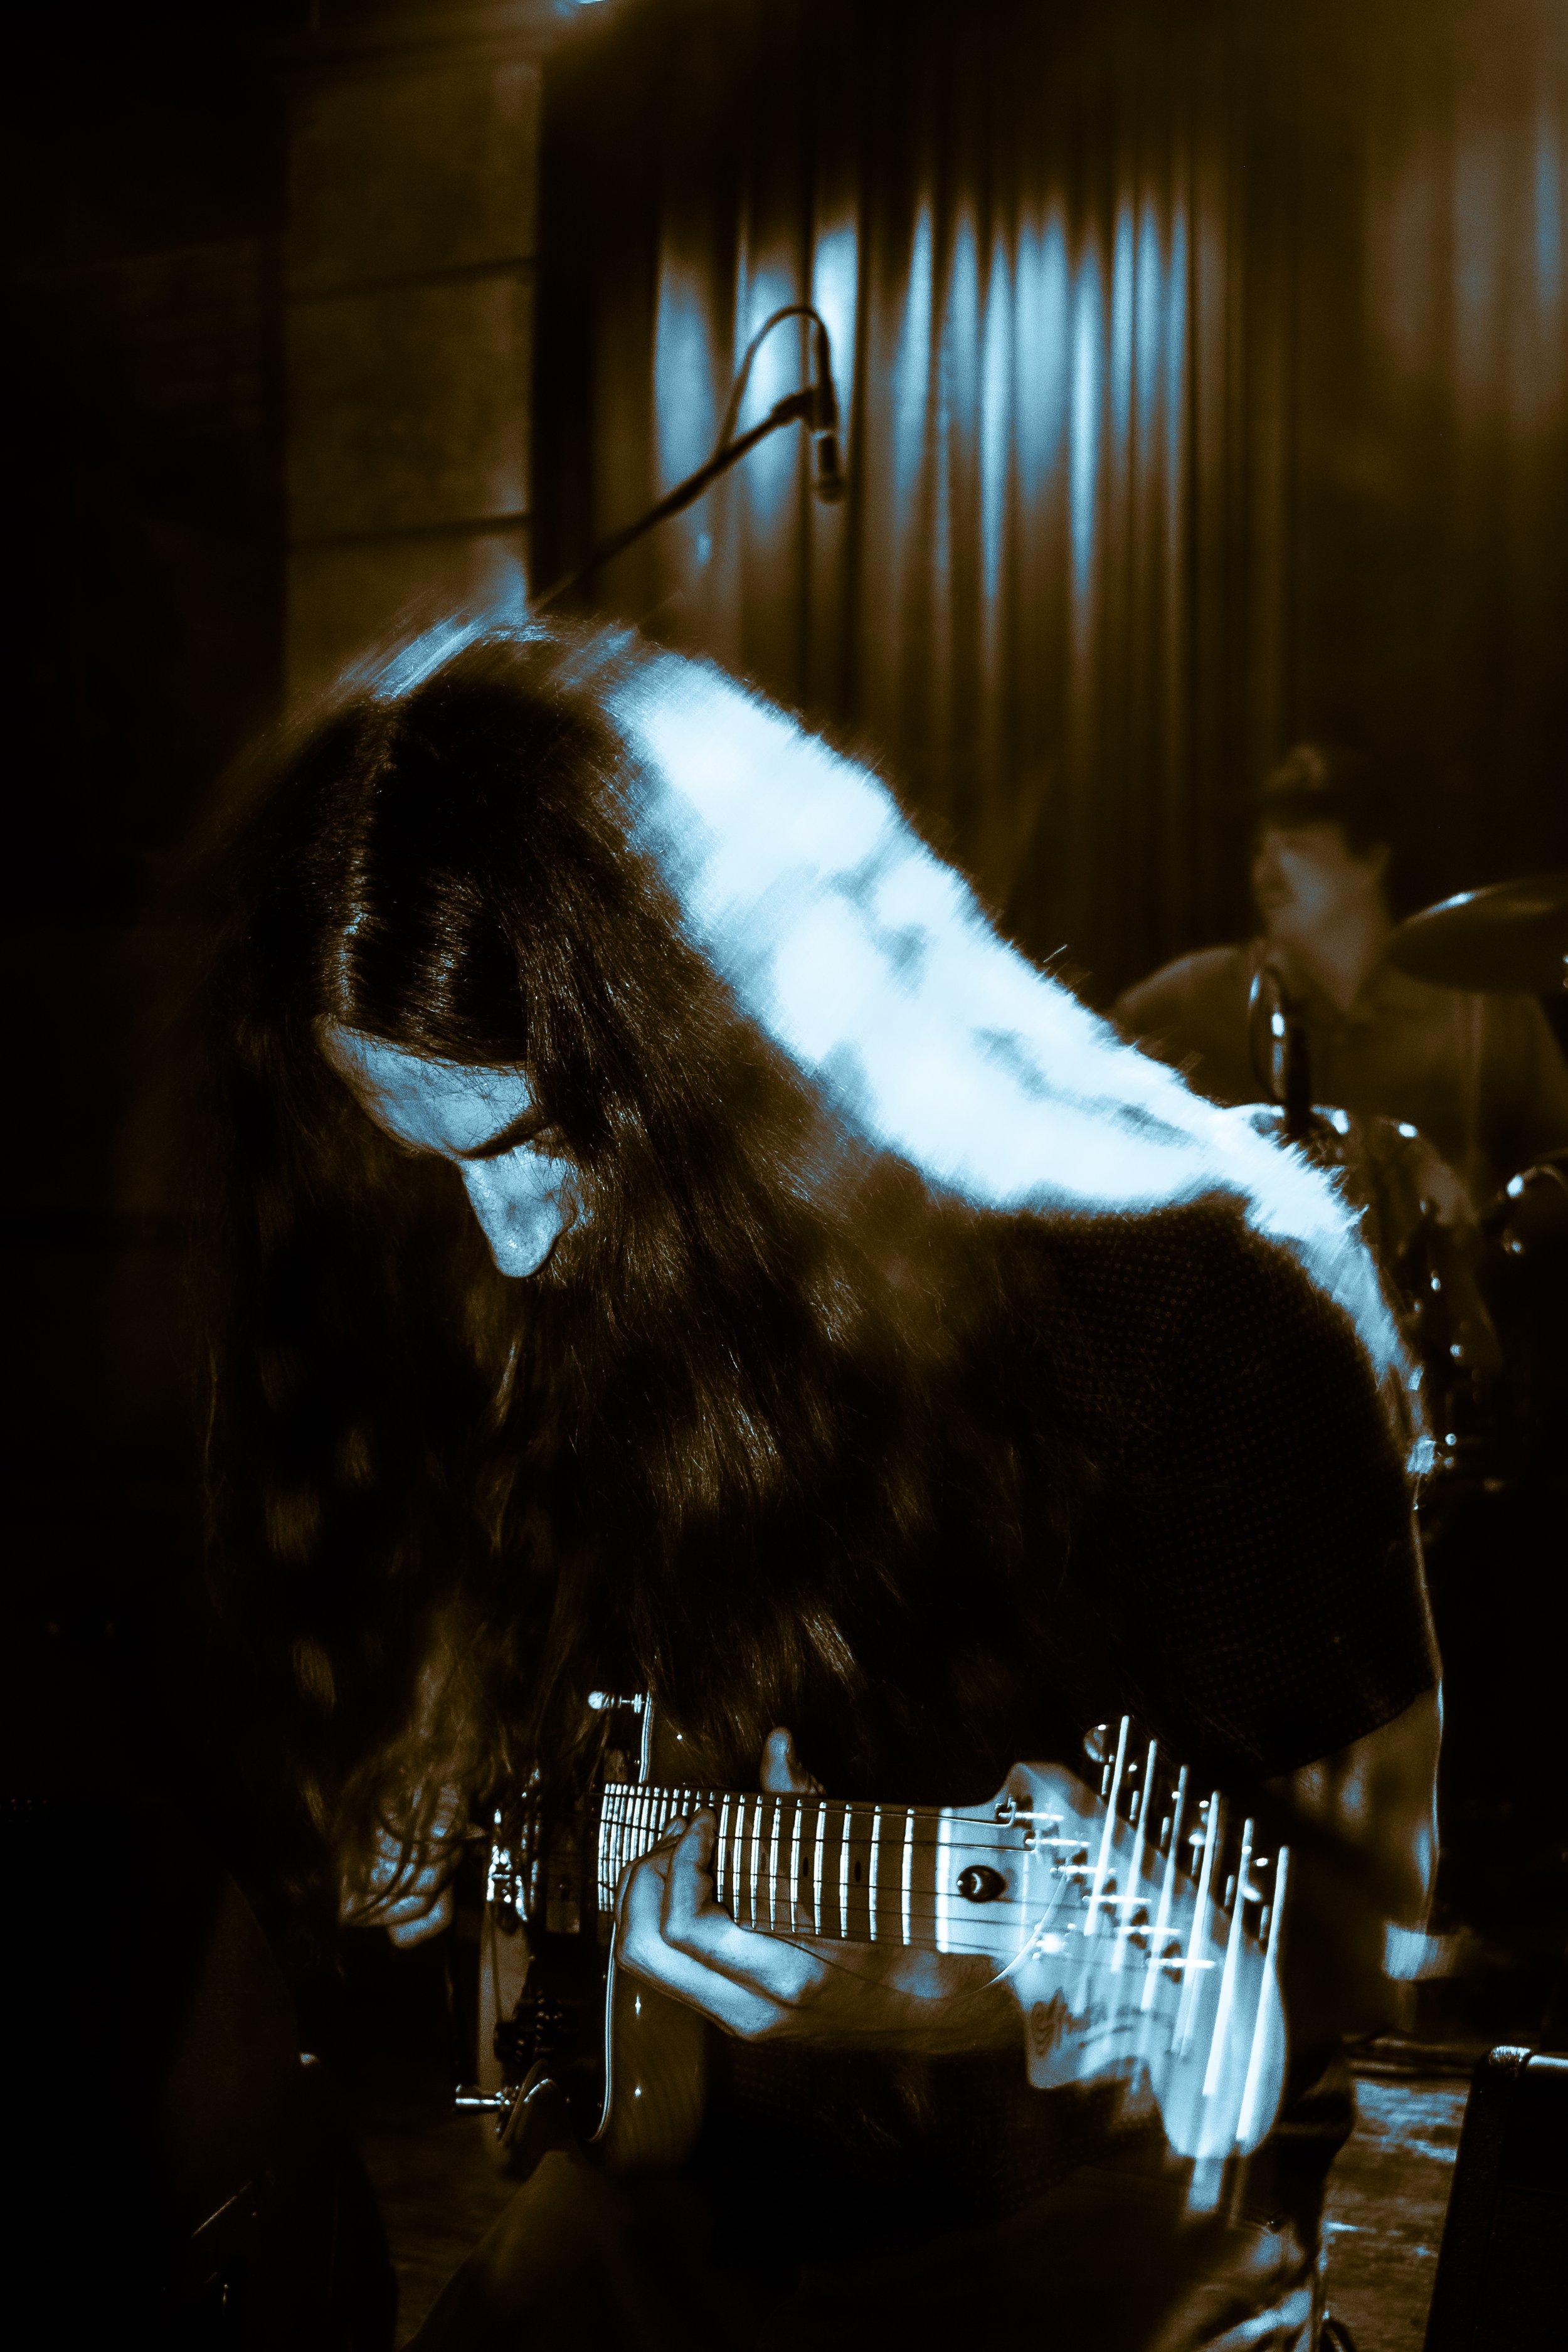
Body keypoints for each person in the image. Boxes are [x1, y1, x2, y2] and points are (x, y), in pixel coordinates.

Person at [188, 622, 1441, 2351]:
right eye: (436, 1168)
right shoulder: (593, 1293)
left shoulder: (1191, 1302)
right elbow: (566, 1663)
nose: (506, 1240)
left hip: (1090, 2234)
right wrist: (463, 1760)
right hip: (675, 2206)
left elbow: (1364, 1955)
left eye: (540, 1143)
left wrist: (982, 1996)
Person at [1113, 744, 1568, 1216]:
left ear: (1371, 860)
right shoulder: (1189, 999)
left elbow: (1558, 1170)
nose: (1264, 873)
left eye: (1294, 847)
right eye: (1259, 850)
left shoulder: (1480, 1005)